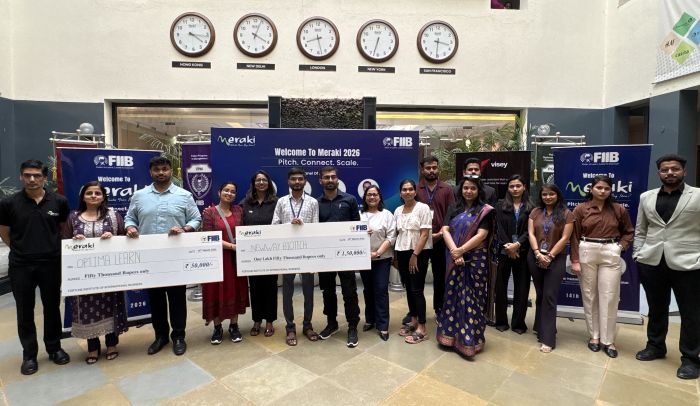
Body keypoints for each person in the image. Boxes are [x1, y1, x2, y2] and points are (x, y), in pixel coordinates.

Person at [124, 156, 201, 356]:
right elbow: (130, 218)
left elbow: (196, 218)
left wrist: (185, 228)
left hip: (176, 257)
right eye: (157, 169)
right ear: (151, 172)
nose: (161, 173)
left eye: (165, 169)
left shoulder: (184, 195)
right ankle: (160, 337)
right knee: (156, 299)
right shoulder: (139, 196)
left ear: (171, 171)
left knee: (177, 299)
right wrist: (130, 227)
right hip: (150, 259)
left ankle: (179, 336)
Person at [0, 159, 71, 375]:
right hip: (21, 265)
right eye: (27, 175)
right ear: (21, 177)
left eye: (37, 175)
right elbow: (4, 231)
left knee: (52, 307)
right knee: (24, 310)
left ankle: (54, 348)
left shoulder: (59, 201)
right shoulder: (9, 203)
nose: (32, 179)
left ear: (44, 178)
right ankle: (29, 355)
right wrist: (21, 249)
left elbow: (62, 228)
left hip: (51, 263)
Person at [633, 154, 700, 380]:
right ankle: (655, 346)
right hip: (652, 261)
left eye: (674, 169)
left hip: (689, 263)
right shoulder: (647, 197)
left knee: (691, 313)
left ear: (684, 171)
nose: (670, 173)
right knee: (656, 308)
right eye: (665, 170)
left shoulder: (697, 195)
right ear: (659, 173)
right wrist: (638, 253)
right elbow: (641, 229)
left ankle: (690, 359)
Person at [63, 181, 128, 364]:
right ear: (83, 197)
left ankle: (112, 344)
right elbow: (64, 242)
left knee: (110, 305)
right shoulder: (73, 217)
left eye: (97, 193)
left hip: (109, 273)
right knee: (86, 309)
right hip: (83, 276)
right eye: (89, 193)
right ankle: (92, 347)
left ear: (103, 197)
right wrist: (75, 241)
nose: (93, 196)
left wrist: (113, 238)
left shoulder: (113, 216)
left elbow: (124, 239)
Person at [570, 175, 633, 359]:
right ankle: (594, 336)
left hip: (610, 251)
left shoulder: (618, 209)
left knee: (609, 296)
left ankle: (608, 340)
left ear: (610, 190)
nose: (603, 191)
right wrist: (575, 260)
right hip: (587, 250)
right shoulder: (581, 209)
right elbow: (574, 236)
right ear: (591, 189)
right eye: (599, 187)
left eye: (606, 188)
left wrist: (620, 247)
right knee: (589, 295)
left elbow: (629, 232)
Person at [437, 176, 494, 357]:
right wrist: (455, 251)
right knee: (452, 297)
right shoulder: (454, 207)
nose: (468, 191)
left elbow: (482, 234)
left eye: (472, 188)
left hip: (475, 259)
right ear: (461, 190)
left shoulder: (484, 211)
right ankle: (449, 337)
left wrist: (461, 250)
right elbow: (445, 230)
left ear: (478, 191)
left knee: (473, 300)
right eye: (465, 188)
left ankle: (471, 341)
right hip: (454, 256)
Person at [272, 167, 319, 347]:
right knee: (287, 292)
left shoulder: (313, 202)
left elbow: (316, 227)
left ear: (305, 181)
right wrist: (289, 226)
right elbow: (274, 226)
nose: (297, 182)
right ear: (288, 181)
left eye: (300, 179)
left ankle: (307, 325)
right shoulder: (282, 202)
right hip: (287, 254)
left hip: (307, 254)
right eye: (294, 179)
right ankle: (290, 327)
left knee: (309, 292)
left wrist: (303, 226)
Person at [317, 166, 362, 347]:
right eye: (326, 177)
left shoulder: (350, 200)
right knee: (327, 291)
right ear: (320, 180)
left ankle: (352, 326)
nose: (330, 180)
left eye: (333, 177)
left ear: (337, 179)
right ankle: (331, 323)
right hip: (325, 256)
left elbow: (357, 226)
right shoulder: (316, 203)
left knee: (349, 291)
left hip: (346, 256)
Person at [527, 183, 574, 353]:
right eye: (544, 194)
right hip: (535, 256)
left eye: (551, 194)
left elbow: (565, 238)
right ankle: (541, 327)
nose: (548, 197)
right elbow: (531, 233)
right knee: (540, 294)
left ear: (557, 195)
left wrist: (550, 256)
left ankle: (548, 339)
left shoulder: (567, 214)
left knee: (549, 297)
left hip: (556, 258)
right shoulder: (535, 212)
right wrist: (537, 253)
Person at [201, 181, 249, 344]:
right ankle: (217, 328)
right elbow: (208, 237)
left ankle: (234, 326)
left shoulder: (239, 211)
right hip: (217, 258)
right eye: (226, 190)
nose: (229, 193)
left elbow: (244, 232)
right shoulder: (210, 212)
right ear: (219, 192)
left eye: (233, 191)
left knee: (235, 289)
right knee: (216, 290)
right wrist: (232, 246)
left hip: (236, 260)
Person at [493, 174, 534, 334]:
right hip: (504, 252)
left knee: (522, 288)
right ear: (508, 188)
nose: (515, 189)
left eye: (518, 186)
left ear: (524, 187)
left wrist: (517, 245)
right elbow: (498, 227)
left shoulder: (532, 207)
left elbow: (530, 231)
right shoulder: (500, 205)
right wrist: (508, 246)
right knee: (500, 288)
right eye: (512, 186)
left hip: (523, 252)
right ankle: (501, 321)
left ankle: (518, 324)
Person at [416, 156, 454, 321]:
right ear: (422, 170)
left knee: (440, 277)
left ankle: (439, 309)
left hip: (441, 240)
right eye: (428, 168)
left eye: (434, 167)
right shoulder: (416, 189)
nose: (431, 170)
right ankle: (416, 311)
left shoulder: (447, 189)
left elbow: (451, 213)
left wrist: (440, 234)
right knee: (418, 277)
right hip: (420, 241)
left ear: (438, 169)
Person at [241, 170, 278, 337]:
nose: (261, 183)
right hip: (252, 255)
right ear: (253, 184)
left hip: (271, 254)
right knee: (255, 287)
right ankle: (257, 320)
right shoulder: (245, 203)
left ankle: (270, 320)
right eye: (258, 180)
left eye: (264, 180)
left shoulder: (276, 202)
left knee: (270, 287)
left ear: (268, 183)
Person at [395, 179, 432, 344]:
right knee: (408, 288)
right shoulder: (398, 210)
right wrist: (396, 257)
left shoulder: (423, 208)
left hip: (419, 253)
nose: (407, 192)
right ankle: (414, 320)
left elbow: (424, 234)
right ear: (400, 192)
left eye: (410, 189)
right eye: (404, 189)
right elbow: (398, 234)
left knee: (417, 289)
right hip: (402, 252)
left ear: (415, 191)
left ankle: (422, 328)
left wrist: (415, 255)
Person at [359, 185, 396, 341]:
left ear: (379, 197)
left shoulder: (387, 214)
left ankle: (383, 325)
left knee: (380, 290)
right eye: (369, 194)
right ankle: (370, 320)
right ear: (365, 197)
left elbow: (391, 237)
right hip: (364, 259)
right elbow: (351, 235)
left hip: (382, 258)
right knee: (368, 290)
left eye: (375, 194)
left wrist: (378, 252)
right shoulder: (359, 215)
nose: (372, 197)